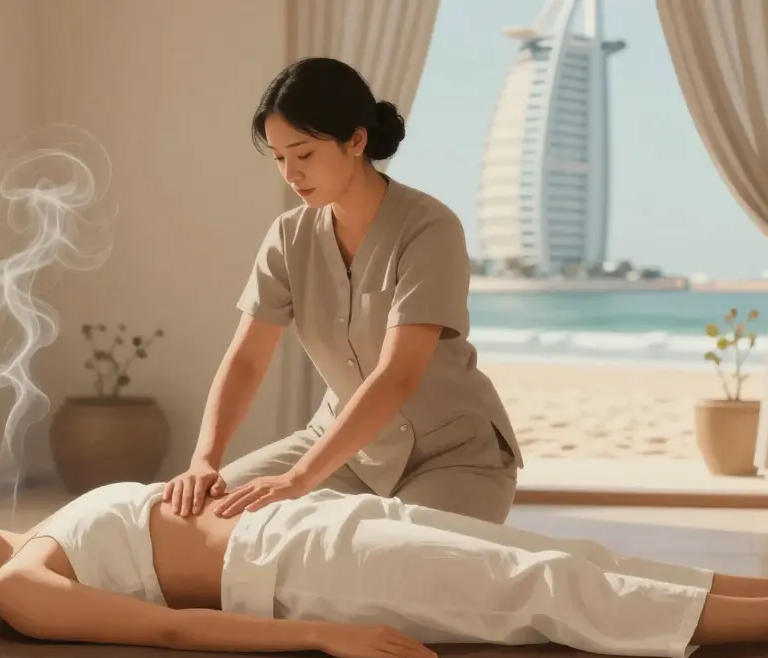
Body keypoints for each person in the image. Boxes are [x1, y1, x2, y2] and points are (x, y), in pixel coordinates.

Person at [0, 473, 768, 658]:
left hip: (318, 525)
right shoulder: (19, 589)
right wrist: (318, 634)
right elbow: (167, 631)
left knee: (556, 553)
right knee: (535, 593)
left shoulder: (35, 529)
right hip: (301, 580)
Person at [163, 57, 524, 525]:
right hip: (341, 447)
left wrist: (300, 479)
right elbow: (247, 360)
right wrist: (204, 460)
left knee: (388, 567)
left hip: (451, 455)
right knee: (207, 516)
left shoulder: (430, 228)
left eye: (305, 154)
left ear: (356, 140)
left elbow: (398, 374)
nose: (291, 173)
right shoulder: (288, 237)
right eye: (279, 158)